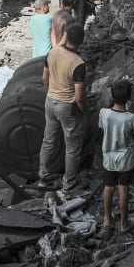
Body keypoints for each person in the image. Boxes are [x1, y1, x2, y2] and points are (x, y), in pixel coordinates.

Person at [40, 22, 88, 192]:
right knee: (72, 148)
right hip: (67, 107)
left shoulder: (52, 52)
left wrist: (51, 93)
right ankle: (69, 183)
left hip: (50, 101)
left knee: (49, 140)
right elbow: (80, 95)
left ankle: (43, 177)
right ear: (81, 41)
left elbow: (45, 79)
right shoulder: (78, 63)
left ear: (65, 36)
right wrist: (84, 111)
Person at [99, 78, 134, 236]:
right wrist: (128, 111)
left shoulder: (104, 113)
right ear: (128, 98)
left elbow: (103, 128)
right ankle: (124, 223)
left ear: (111, 94)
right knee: (123, 189)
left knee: (108, 188)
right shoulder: (132, 118)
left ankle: (108, 220)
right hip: (125, 161)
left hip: (108, 158)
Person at [30, 0, 53, 64]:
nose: (48, 7)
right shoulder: (48, 19)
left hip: (36, 55)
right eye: (47, 5)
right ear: (43, 7)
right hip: (46, 55)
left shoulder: (32, 19)